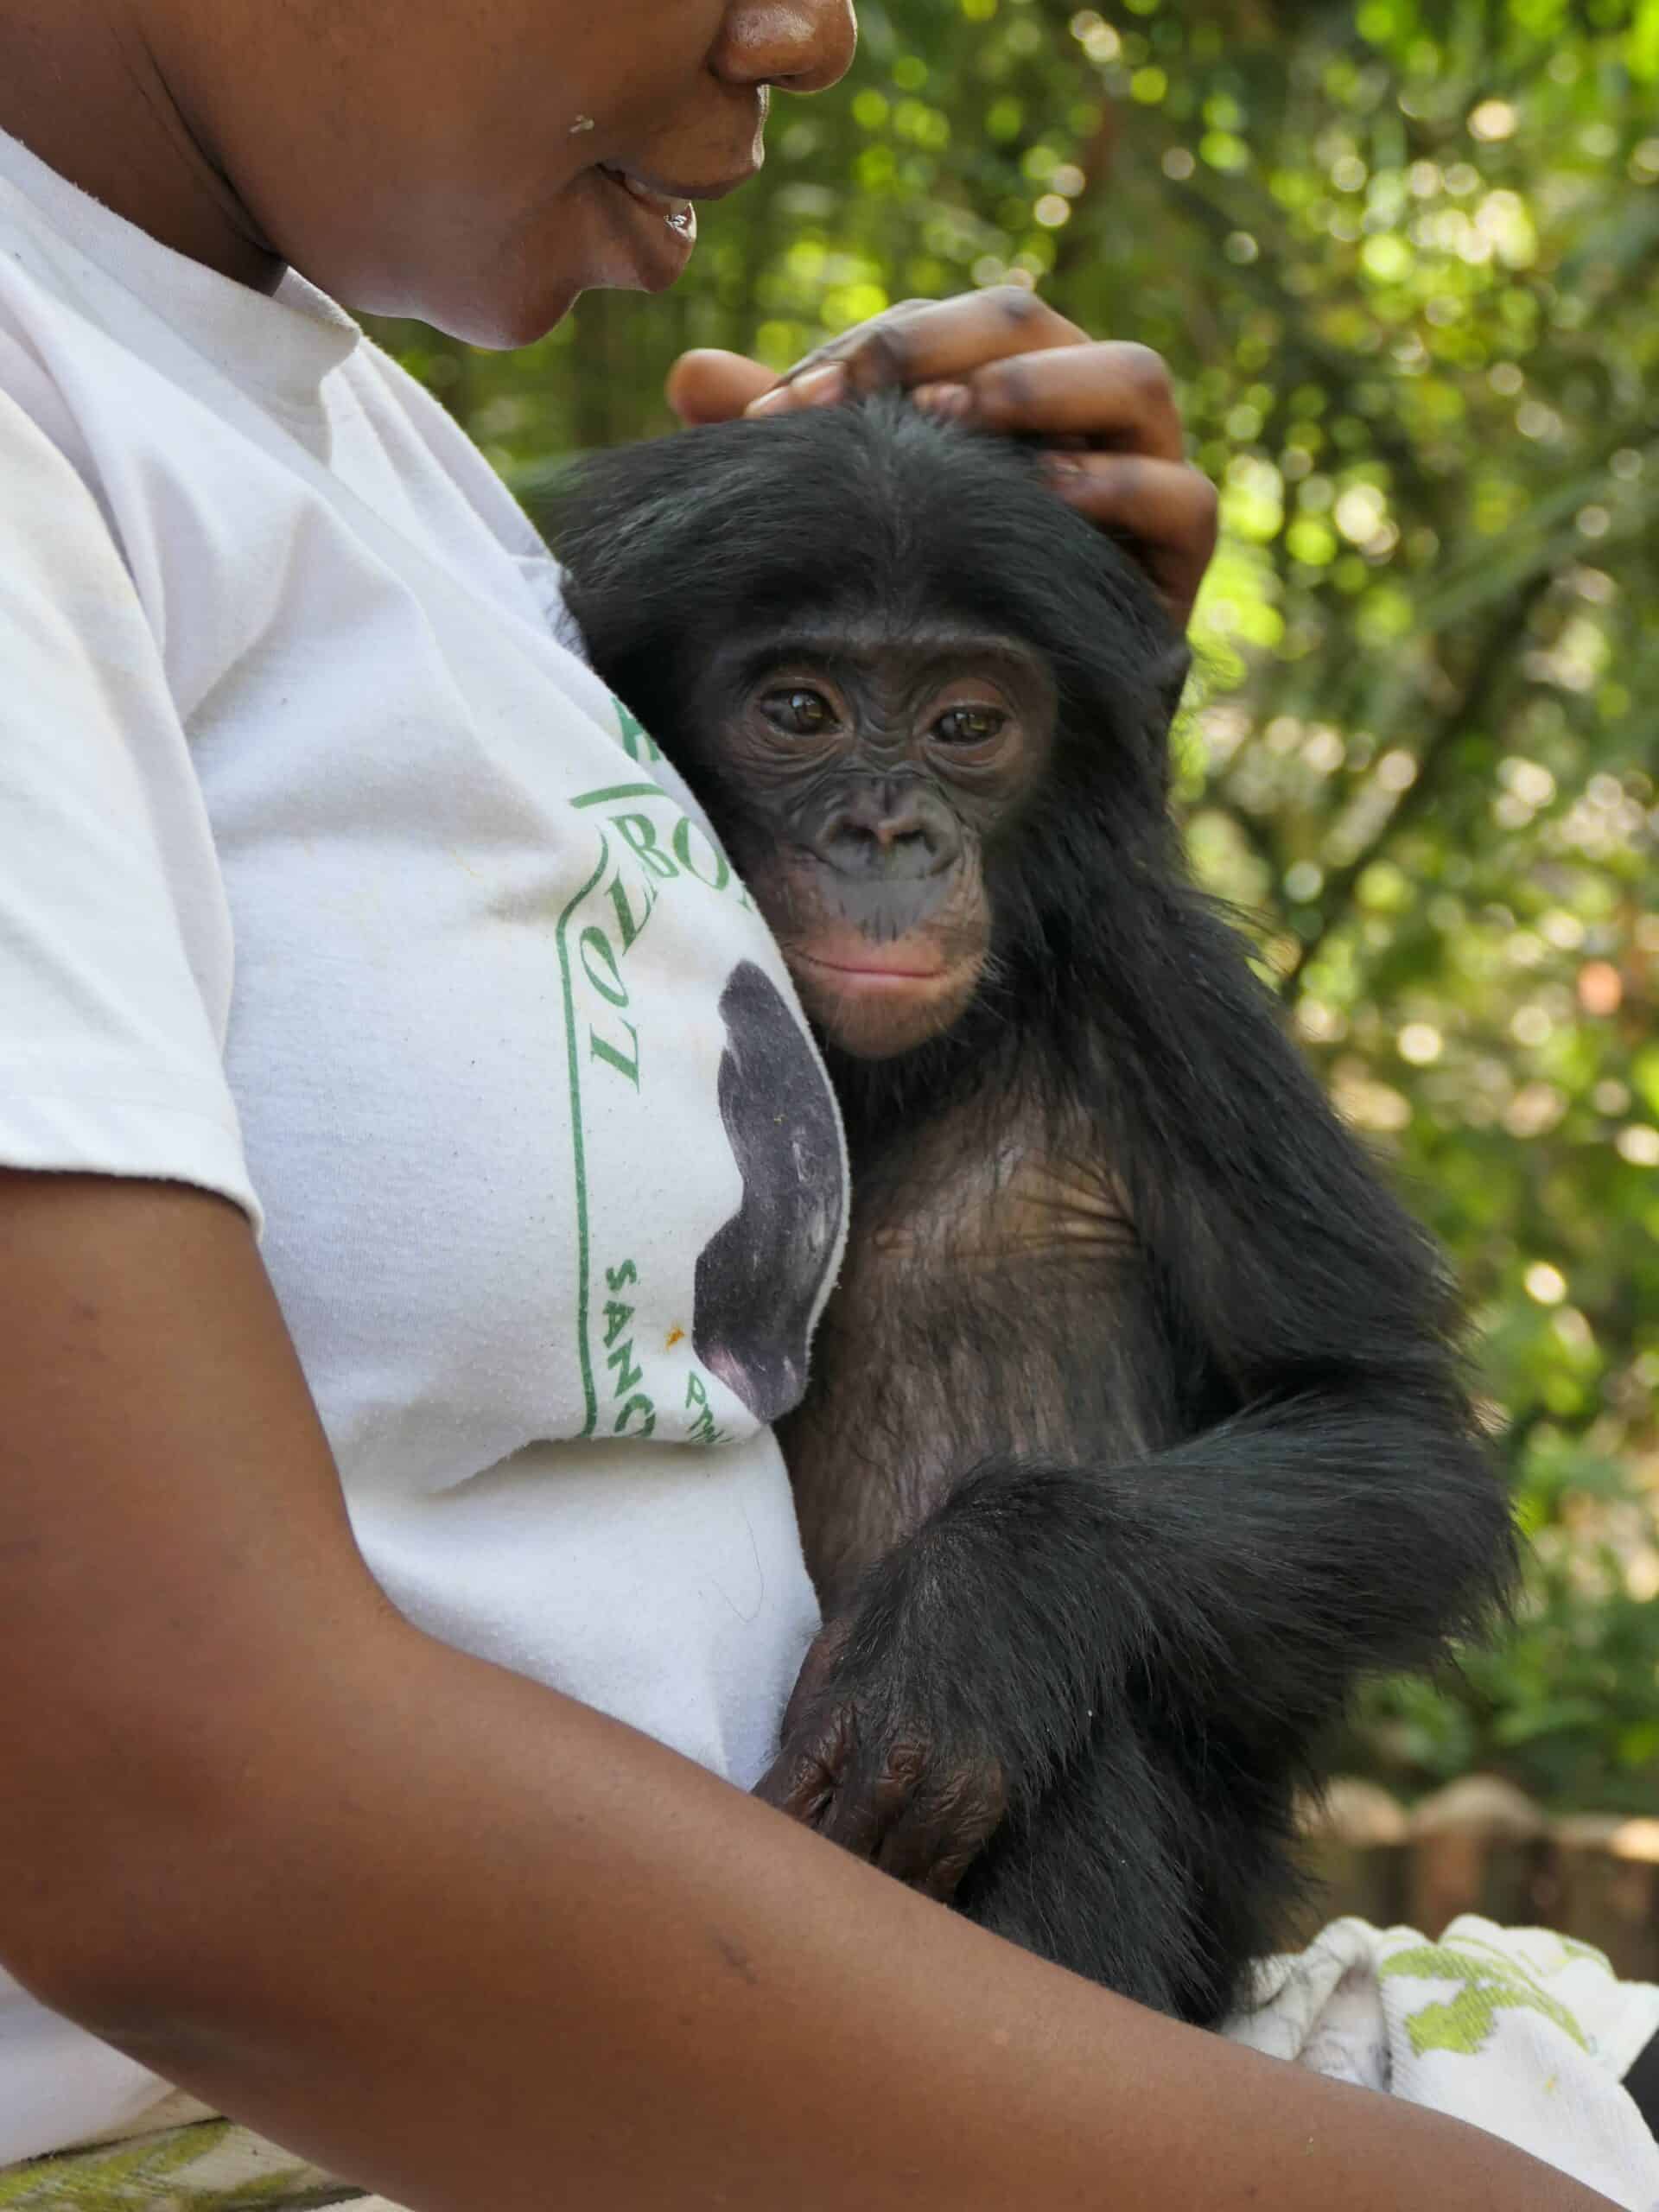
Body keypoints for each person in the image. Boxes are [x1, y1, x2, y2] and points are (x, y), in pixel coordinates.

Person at [0, 3, 1645, 2207]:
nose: (817, 24)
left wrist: (1034, 676)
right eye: (805, 717)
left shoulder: (371, 449)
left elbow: (1392, 1464)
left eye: (966, 734)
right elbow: (166, 1801)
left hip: (950, 1997)